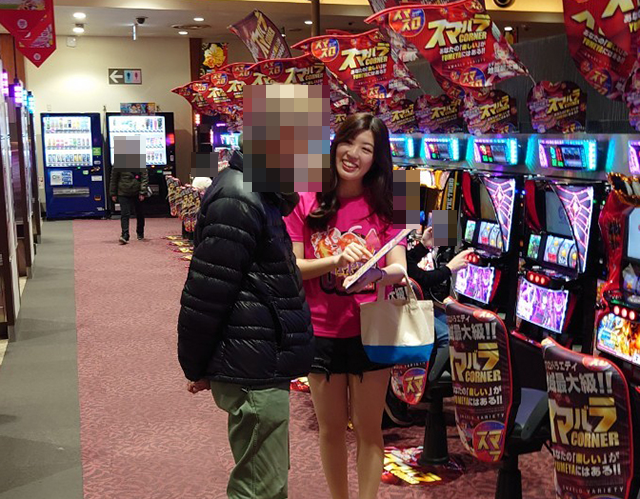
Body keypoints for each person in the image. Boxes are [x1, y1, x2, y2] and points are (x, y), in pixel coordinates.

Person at [177, 134, 314, 499]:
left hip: (258, 356)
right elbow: (206, 293)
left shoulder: (260, 192)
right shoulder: (239, 196)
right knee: (258, 488)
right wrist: (195, 364)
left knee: (267, 481)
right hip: (252, 363)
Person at [285, 113, 407, 499]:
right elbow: (293, 267)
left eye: (366, 148)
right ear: (335, 144)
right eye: (348, 142)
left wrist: (376, 273)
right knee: (331, 430)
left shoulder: (392, 199)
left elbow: (400, 269)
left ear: (376, 158)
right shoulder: (305, 195)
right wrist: (335, 261)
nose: (353, 154)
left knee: (369, 430)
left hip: (372, 328)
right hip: (320, 329)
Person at [407, 225, 474, 347]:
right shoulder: (391, 233)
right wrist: (449, 268)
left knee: (459, 328)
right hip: (404, 305)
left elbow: (407, 261)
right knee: (449, 337)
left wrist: (423, 246)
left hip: (416, 301)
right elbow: (421, 278)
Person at [109, 167, 149, 244]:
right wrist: (113, 193)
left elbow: (144, 178)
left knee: (139, 213)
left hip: (136, 192)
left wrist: (142, 192)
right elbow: (113, 179)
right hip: (123, 193)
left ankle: (140, 232)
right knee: (125, 214)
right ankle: (125, 234)